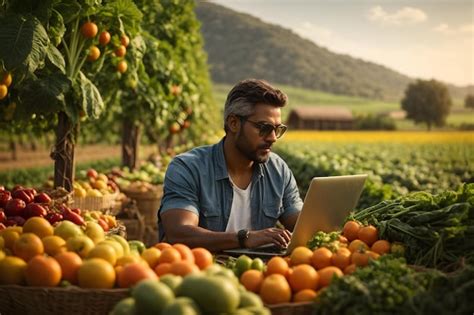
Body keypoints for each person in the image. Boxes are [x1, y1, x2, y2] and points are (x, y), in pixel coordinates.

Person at [158, 79, 303, 252]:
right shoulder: (188, 168)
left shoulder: (278, 170)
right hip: (202, 271)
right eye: (264, 128)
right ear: (234, 123)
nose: (272, 137)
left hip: (260, 274)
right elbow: (179, 232)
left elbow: (302, 222)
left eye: (277, 129)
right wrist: (245, 238)